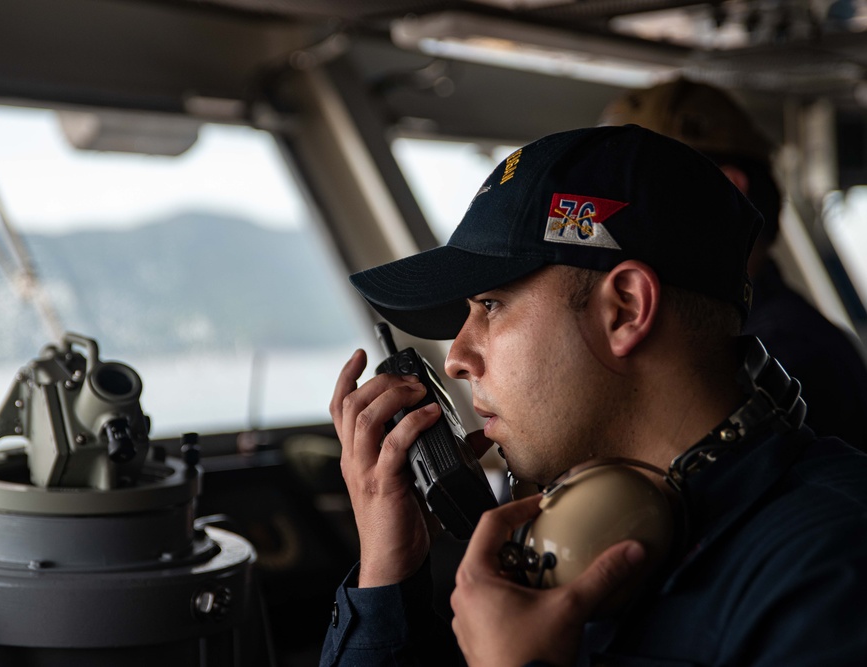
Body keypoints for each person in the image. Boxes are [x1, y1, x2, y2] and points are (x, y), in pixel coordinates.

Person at [319, 125, 867, 666]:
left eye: (491, 306)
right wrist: (387, 576)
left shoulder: (832, 571)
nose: (457, 358)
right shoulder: (571, 525)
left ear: (624, 310)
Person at [600, 78, 867, 451]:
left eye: (641, 187)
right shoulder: (736, 339)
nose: (618, 213)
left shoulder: (781, 354)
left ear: (725, 189)